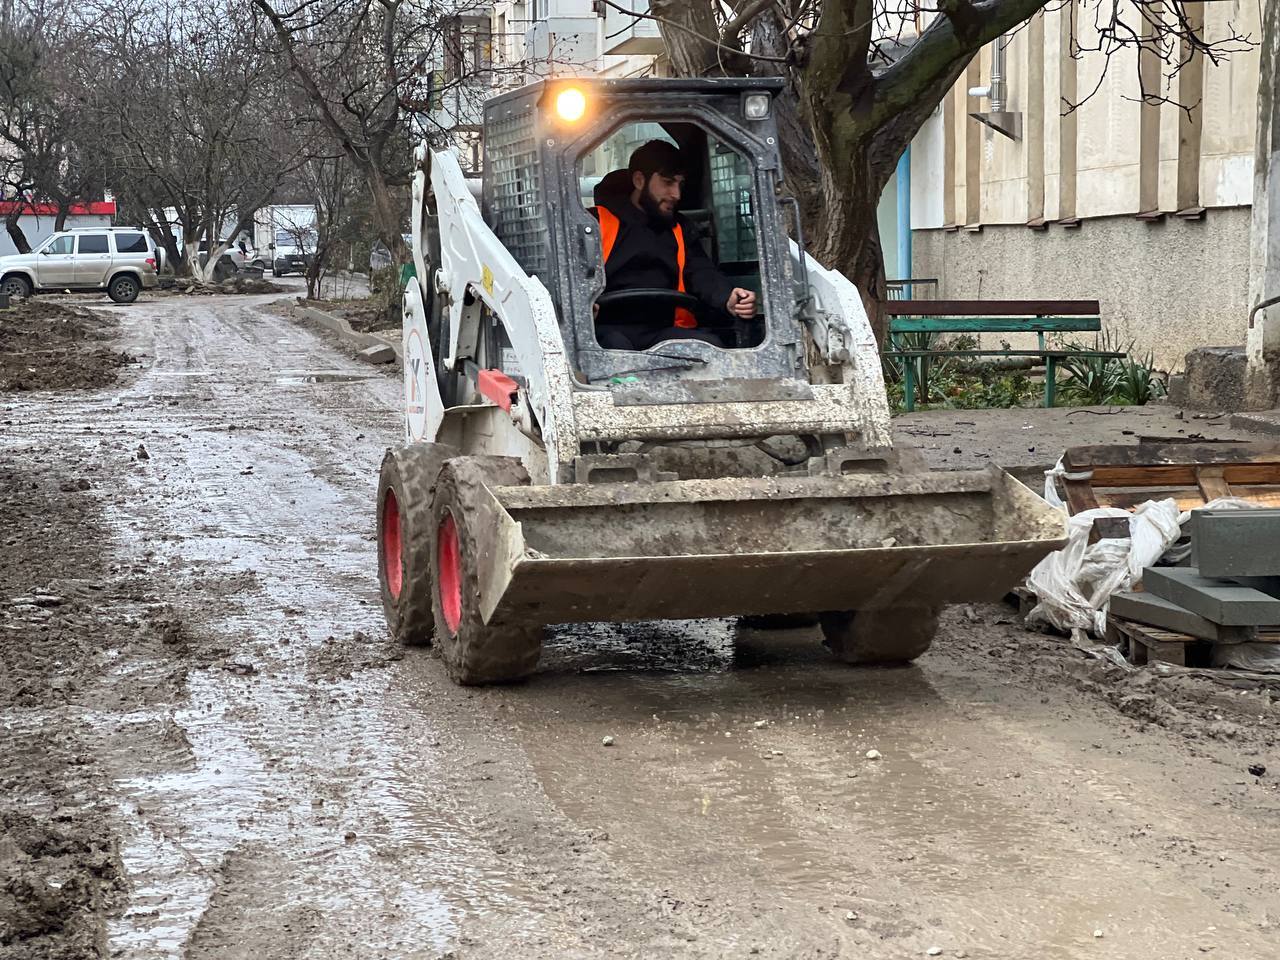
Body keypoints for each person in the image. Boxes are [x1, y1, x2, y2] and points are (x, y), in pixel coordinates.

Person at [590, 139, 756, 350]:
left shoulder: (680, 229)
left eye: (680, 184)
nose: (676, 194)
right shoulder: (595, 223)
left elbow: (702, 272)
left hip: (662, 331)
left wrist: (728, 297)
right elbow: (575, 280)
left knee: (708, 347)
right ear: (640, 180)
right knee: (615, 348)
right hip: (607, 331)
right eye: (668, 183)